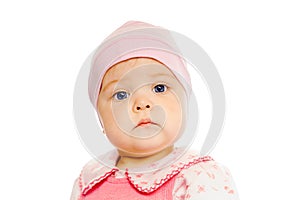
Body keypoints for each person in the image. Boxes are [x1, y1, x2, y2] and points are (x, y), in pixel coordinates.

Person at [71, 21, 239, 200]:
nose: (142, 104)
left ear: (185, 104)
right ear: (101, 119)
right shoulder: (88, 180)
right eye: (121, 95)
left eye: (159, 88)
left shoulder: (199, 177)